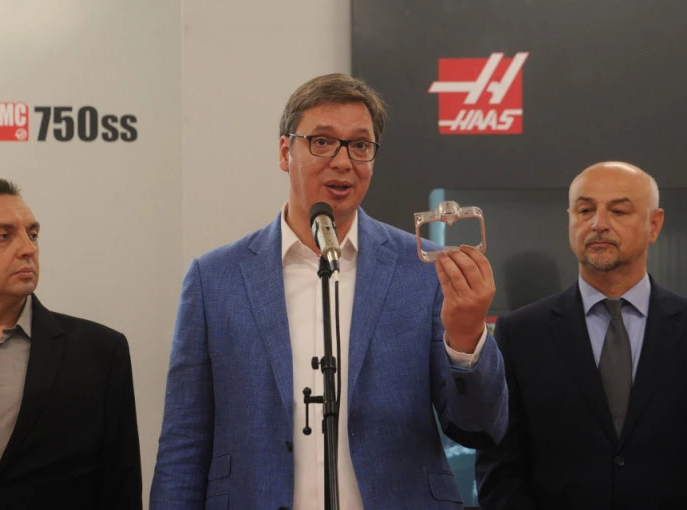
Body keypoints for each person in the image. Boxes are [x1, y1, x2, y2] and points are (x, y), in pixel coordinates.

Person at [151, 73, 508, 509]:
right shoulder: (214, 279)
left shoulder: (424, 269)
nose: (343, 161)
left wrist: (467, 338)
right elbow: (184, 441)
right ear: (285, 152)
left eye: (360, 145)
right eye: (322, 142)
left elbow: (479, 427)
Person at [475, 162, 687, 509]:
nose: (598, 223)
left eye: (618, 211)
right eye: (585, 210)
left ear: (654, 224)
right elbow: (500, 469)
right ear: (570, 220)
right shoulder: (520, 334)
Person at [0, 179, 142, 509]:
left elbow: (120, 487)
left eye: (33, 234)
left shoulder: (101, 352)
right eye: (4, 236)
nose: (28, 248)